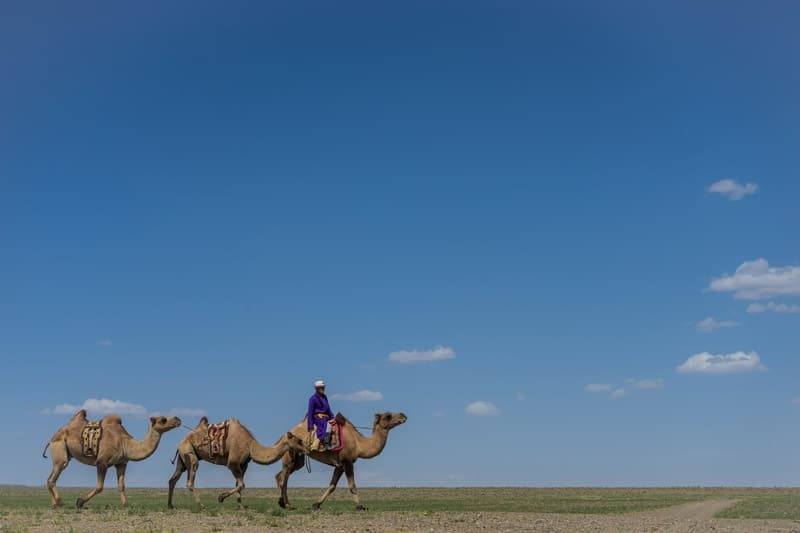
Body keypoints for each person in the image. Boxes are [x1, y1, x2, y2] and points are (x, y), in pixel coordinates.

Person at [307, 380, 334, 451]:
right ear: (317, 389)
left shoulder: (325, 397)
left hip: (326, 416)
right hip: (317, 418)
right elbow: (310, 412)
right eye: (321, 387)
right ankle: (325, 442)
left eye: (323, 387)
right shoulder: (312, 399)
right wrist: (310, 425)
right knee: (327, 425)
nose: (323, 389)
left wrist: (333, 417)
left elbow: (328, 408)